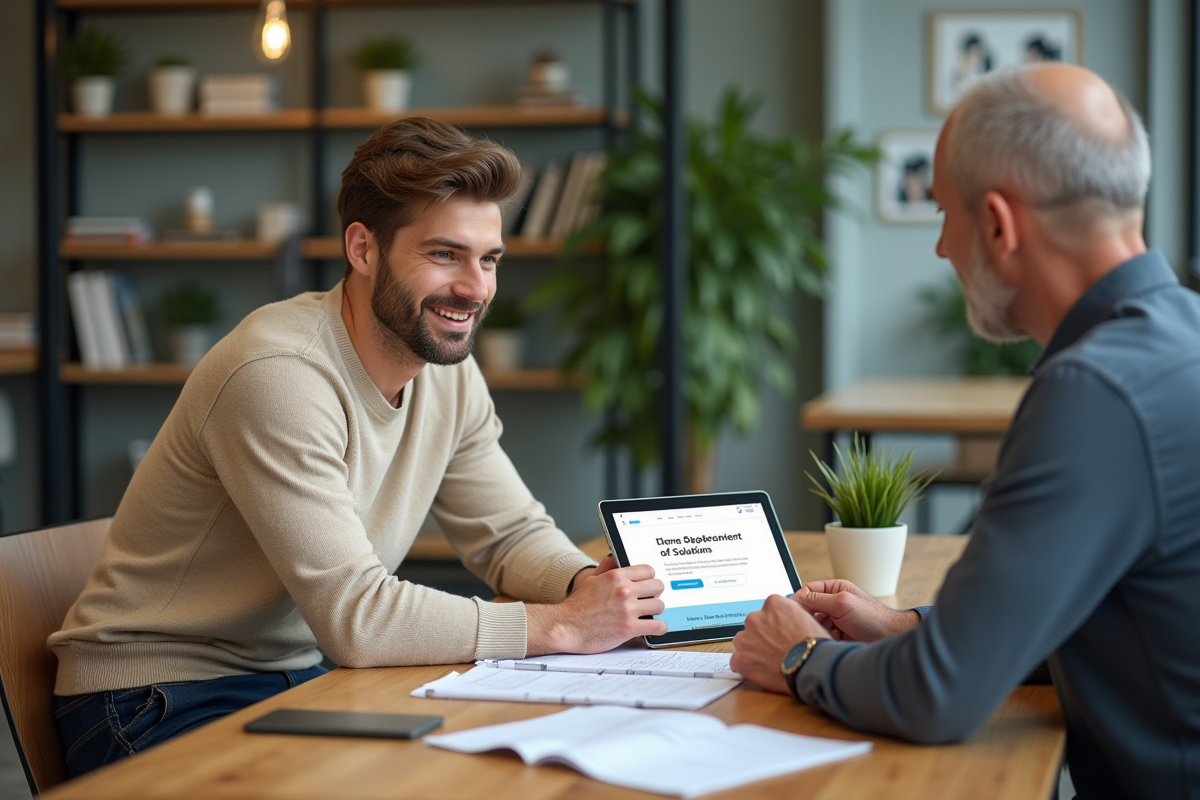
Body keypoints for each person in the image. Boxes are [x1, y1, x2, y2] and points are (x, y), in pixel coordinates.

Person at [50, 117, 668, 777]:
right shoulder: (279, 373)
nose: (476, 288)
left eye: (488, 259)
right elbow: (357, 616)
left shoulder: (446, 371)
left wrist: (589, 588)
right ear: (363, 249)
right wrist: (563, 626)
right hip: (155, 697)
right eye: (443, 254)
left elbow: (509, 533)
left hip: (293, 673)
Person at [731, 63, 1200, 799]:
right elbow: (1109, 615)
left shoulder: (1094, 393)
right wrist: (910, 627)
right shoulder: (1179, 343)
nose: (944, 249)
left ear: (997, 223)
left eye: (944, 215)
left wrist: (798, 658)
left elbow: (937, 699)